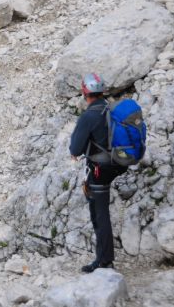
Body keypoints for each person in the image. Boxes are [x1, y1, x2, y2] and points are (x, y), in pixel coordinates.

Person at [70, 73, 124, 273]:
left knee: (100, 214)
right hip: (117, 163)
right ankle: (104, 258)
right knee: (100, 212)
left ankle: (104, 261)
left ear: (85, 92)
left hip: (100, 169)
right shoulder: (111, 109)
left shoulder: (89, 116)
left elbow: (75, 148)